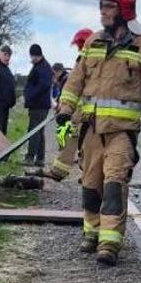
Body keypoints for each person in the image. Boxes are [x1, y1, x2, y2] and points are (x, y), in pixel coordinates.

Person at [55, 0, 141, 265]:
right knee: (91, 186)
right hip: (91, 130)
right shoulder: (93, 42)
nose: (102, 12)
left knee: (114, 184)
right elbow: (75, 80)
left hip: (121, 133)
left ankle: (110, 243)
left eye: (108, 6)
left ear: (124, 9)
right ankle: (91, 232)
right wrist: (65, 114)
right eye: (101, 6)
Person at [49, 29, 94, 182]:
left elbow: (76, 87)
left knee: (82, 143)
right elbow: (72, 89)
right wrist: (64, 109)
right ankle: (67, 171)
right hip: (81, 111)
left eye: (80, 45)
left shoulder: (87, 60)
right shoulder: (87, 59)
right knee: (79, 142)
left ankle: (82, 174)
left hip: (85, 112)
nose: (79, 48)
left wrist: (66, 109)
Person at [22, 43, 55, 167]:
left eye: (33, 56)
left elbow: (43, 85)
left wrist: (30, 95)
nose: (32, 58)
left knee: (34, 131)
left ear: (37, 55)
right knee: (39, 131)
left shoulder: (43, 67)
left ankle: (30, 157)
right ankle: (40, 158)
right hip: (39, 104)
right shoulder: (40, 66)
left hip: (39, 104)